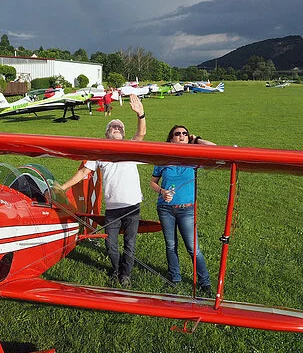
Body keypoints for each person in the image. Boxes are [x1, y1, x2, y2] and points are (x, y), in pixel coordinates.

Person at [60, 94, 147, 288]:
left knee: (130, 245)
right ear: (107, 134)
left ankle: (125, 275)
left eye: (119, 128)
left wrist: (141, 115)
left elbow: (141, 134)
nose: (116, 129)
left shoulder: (130, 147)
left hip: (132, 206)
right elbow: (83, 172)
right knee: (110, 245)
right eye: (113, 127)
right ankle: (116, 269)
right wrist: (61, 187)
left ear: (123, 134)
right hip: (112, 208)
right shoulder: (99, 153)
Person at [150, 125, 216, 297]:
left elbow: (214, 149)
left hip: (187, 210)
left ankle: (205, 282)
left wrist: (197, 140)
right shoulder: (163, 159)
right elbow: (153, 182)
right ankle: (175, 278)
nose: (181, 136)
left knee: (193, 248)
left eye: (184, 134)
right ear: (171, 138)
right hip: (165, 209)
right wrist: (162, 192)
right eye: (177, 134)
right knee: (171, 245)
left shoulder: (194, 158)